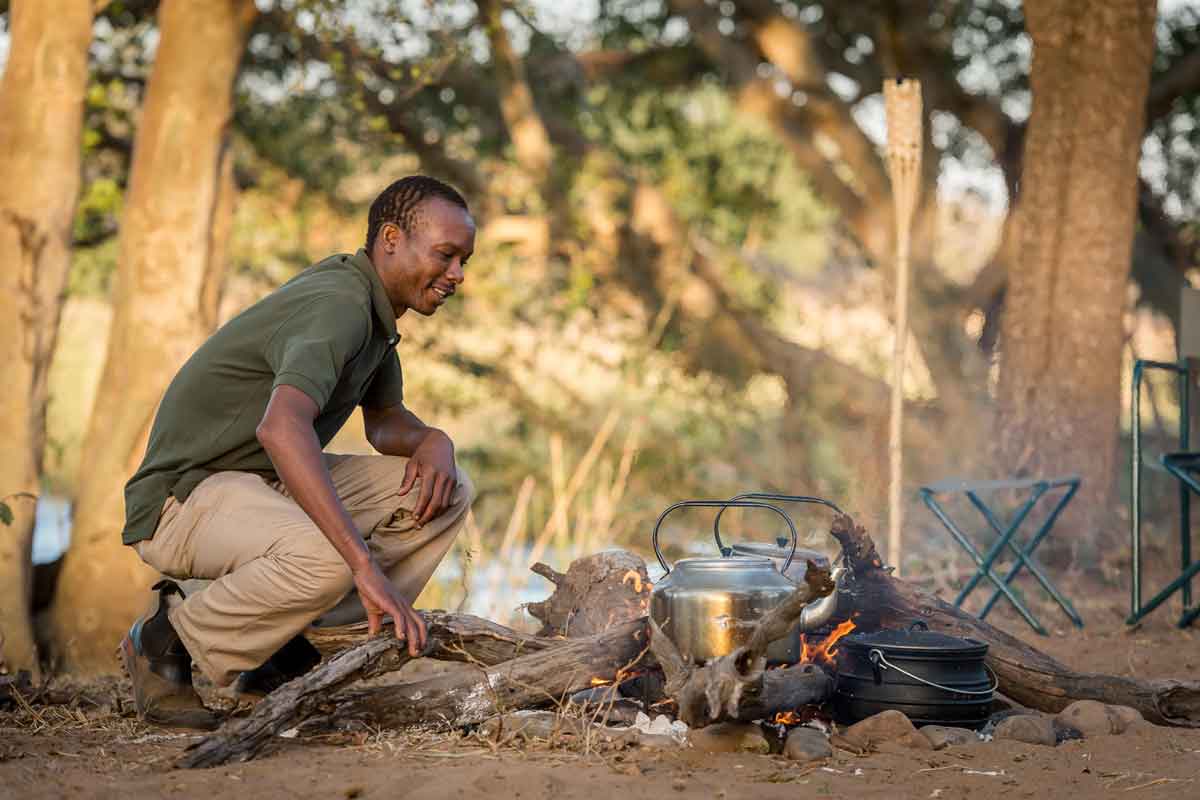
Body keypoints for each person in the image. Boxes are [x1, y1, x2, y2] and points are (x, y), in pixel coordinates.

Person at [118, 175, 477, 728]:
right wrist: (363, 567)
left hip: (252, 483)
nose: (456, 275)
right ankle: (166, 641)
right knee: (331, 559)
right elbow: (281, 430)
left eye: (464, 261)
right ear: (390, 239)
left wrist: (435, 441)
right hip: (181, 499)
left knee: (446, 489)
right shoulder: (340, 306)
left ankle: (280, 653)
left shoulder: (372, 310)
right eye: (446, 256)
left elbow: (384, 422)